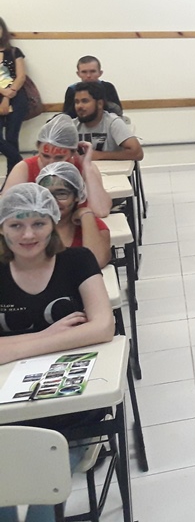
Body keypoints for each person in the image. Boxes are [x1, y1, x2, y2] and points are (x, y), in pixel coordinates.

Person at [0, 184, 115, 522]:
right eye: (16, 225)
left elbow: (102, 327)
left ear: (53, 222)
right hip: (7, 410)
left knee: (40, 494)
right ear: (2, 227)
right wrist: (48, 335)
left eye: (38, 223)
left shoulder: (77, 261)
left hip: (70, 412)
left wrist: (13, 347)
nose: (28, 235)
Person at [2, 115, 113, 217]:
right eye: (45, 155)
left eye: (59, 157)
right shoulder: (24, 168)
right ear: (38, 148)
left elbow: (101, 211)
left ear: (73, 152)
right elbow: (4, 210)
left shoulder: (84, 168)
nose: (51, 163)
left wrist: (87, 167)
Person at [37, 161, 111, 268]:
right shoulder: (29, 224)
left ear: (77, 196)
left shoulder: (92, 224)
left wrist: (86, 214)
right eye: (46, 195)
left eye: (61, 194)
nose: (53, 201)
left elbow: (97, 261)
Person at [72, 82, 144, 161]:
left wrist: (100, 155)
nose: (79, 106)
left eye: (85, 101)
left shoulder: (113, 122)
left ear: (99, 104)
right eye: (76, 102)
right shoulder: (72, 125)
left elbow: (138, 153)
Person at [0, 16, 29, 175]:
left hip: (16, 95)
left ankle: (12, 179)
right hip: (3, 93)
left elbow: (21, 77)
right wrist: (3, 92)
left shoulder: (14, 52)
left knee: (12, 137)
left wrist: (7, 96)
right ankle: (24, 165)